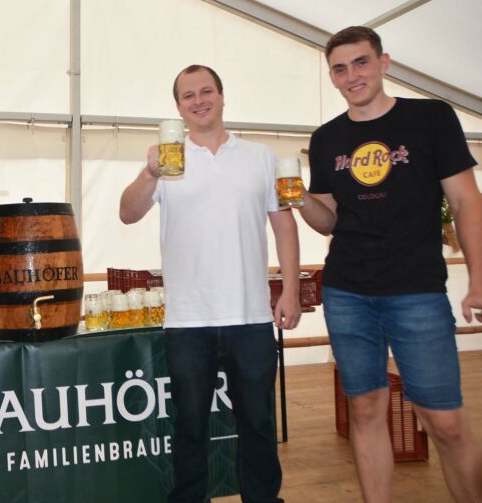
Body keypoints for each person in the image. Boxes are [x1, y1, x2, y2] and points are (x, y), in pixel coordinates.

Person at [296, 26, 482, 503]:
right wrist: (297, 198)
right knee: (364, 412)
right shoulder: (327, 138)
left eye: (361, 62)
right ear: (332, 77)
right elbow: (326, 221)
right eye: (340, 68)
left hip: (417, 290)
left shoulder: (431, 118)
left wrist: (479, 277)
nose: (351, 75)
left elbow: (466, 202)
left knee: (444, 421)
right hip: (347, 292)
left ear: (383, 63)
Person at [120, 64, 301, 503]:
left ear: (222, 96)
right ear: (178, 107)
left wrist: (291, 290)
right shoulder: (167, 159)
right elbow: (127, 213)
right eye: (188, 96)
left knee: (258, 422)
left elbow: (284, 226)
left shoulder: (260, 156)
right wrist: (149, 174)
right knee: (190, 425)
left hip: (250, 315)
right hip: (188, 319)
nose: (198, 101)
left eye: (206, 92)